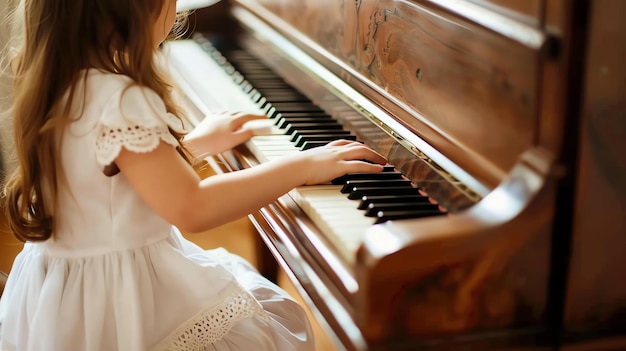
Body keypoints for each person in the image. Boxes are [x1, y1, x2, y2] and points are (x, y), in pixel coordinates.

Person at [0, 0, 387, 350]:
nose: (177, 13)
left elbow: (108, 180)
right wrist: (301, 165)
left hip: (67, 297)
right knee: (272, 326)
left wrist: (191, 145)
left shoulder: (62, 83)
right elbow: (193, 207)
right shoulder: (121, 98)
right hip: (130, 304)